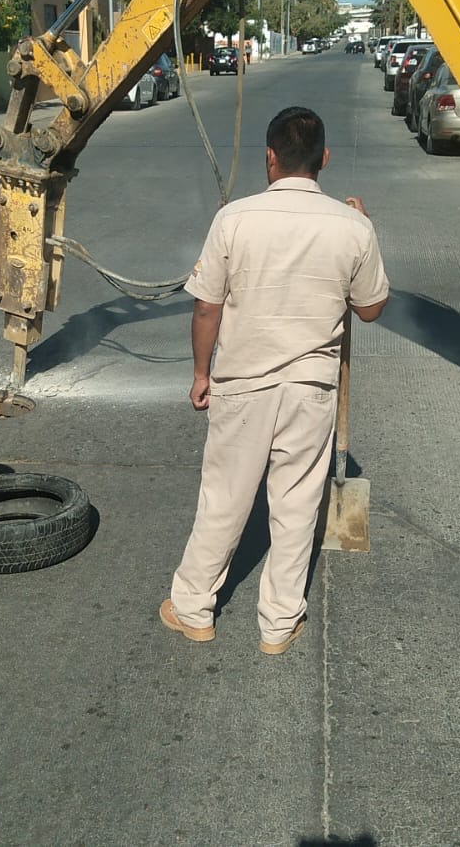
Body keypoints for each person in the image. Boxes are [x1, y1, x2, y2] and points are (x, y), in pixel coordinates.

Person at [160, 106, 389, 655]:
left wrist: (200, 372)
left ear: (269, 158)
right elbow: (371, 309)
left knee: (224, 498)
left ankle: (193, 610)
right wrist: (366, 225)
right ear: (323, 159)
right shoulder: (352, 226)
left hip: (243, 384)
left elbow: (207, 308)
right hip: (311, 389)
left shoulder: (234, 219)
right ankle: (279, 624)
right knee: (296, 504)